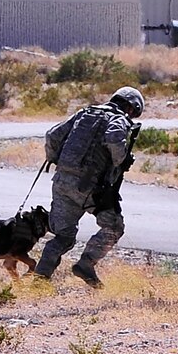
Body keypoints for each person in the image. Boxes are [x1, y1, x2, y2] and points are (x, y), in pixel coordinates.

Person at [34, 86, 144, 288]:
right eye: (134, 112)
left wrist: (56, 160)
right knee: (113, 226)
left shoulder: (84, 113)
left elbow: (52, 136)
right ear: (129, 107)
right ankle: (86, 264)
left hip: (61, 182)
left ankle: (39, 281)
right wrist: (122, 159)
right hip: (90, 188)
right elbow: (114, 139)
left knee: (64, 236)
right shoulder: (118, 119)